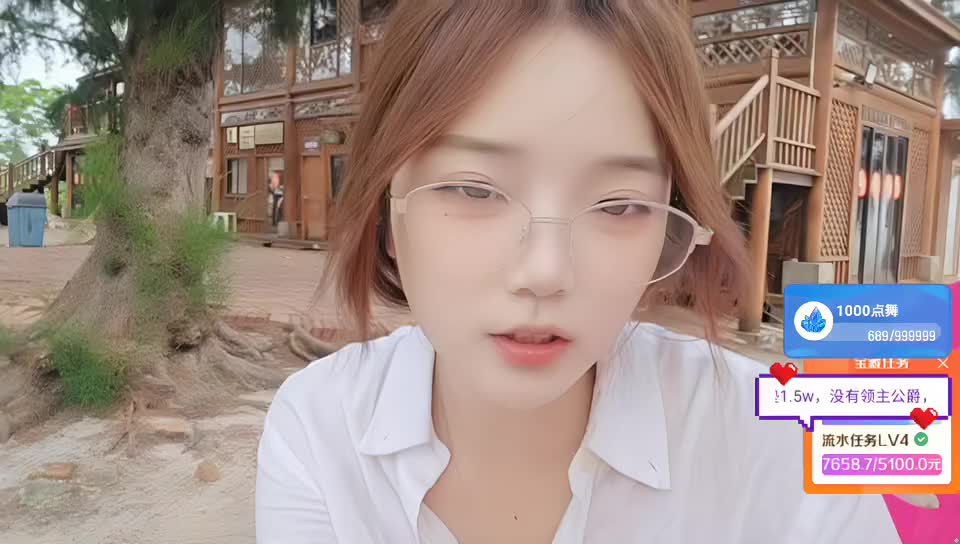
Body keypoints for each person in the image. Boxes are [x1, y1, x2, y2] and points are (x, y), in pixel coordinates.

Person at [255, 2, 901, 543]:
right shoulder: (321, 430)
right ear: (386, 206)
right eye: (475, 190)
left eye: (618, 205)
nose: (545, 272)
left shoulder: (784, 444)